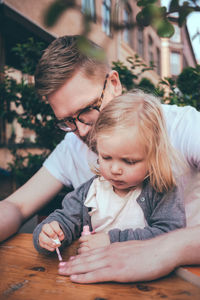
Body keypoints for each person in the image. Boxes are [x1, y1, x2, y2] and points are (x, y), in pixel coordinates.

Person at [0, 35, 200, 282]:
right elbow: (16, 206)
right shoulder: (72, 146)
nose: (82, 131)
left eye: (87, 110)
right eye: (67, 121)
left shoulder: (183, 126)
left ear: (114, 83)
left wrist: (164, 250)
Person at [33, 92, 185, 255]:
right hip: (94, 276)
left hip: (145, 279)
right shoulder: (90, 193)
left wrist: (112, 241)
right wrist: (50, 233)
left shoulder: (160, 191)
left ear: (154, 156)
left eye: (129, 161)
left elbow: (171, 236)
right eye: (106, 157)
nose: (115, 170)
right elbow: (66, 219)